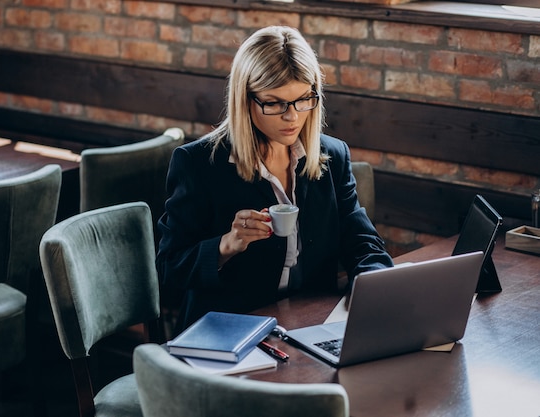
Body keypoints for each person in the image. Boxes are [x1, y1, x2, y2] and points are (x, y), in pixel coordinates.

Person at [156, 25, 394, 334]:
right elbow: (169, 268)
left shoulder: (332, 155)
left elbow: (363, 243)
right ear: (246, 100)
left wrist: (372, 286)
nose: (292, 116)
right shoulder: (199, 163)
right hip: (230, 331)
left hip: (308, 324)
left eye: (303, 99)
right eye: (274, 103)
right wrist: (226, 245)